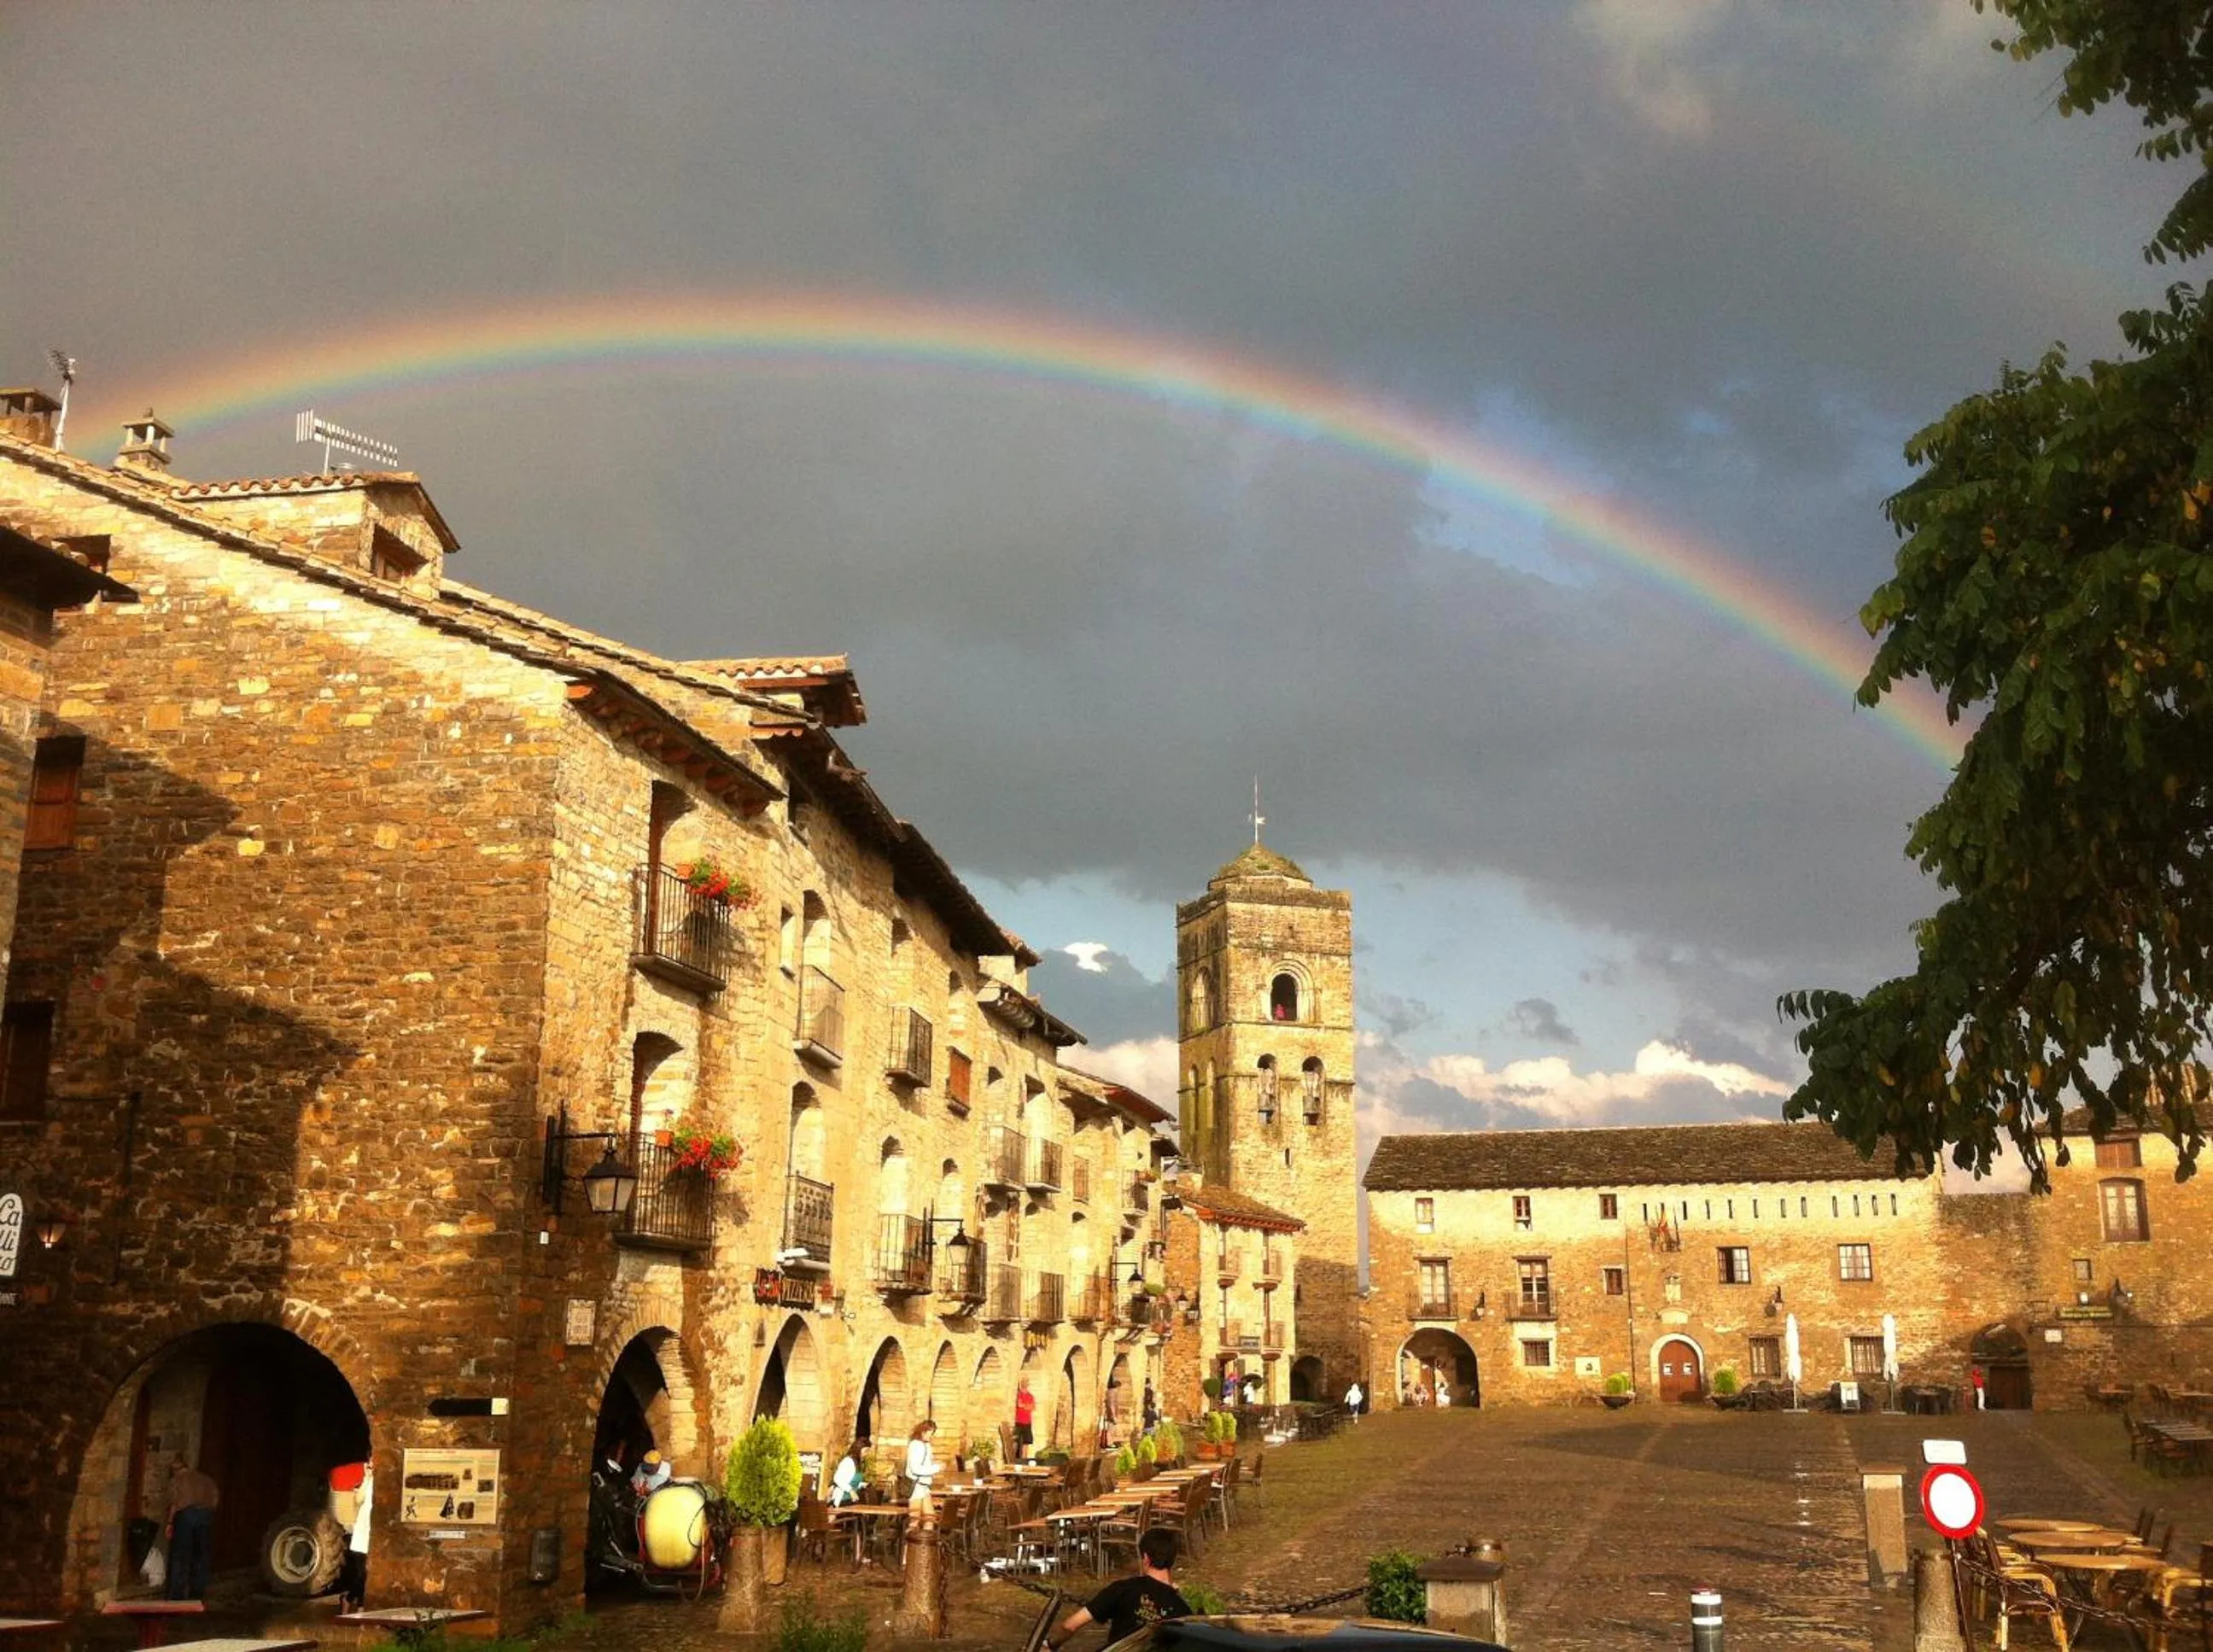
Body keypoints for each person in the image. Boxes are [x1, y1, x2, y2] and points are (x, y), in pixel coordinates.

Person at [1049, 1527, 1190, 1648]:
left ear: (1146, 1558)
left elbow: (1070, 1625)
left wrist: (1050, 1645)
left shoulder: (1123, 1589)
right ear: (1172, 1560)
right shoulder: (1184, 1613)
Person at [163, 1456, 219, 1602]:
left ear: (174, 1469)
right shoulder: (206, 1479)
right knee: (201, 1556)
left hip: (186, 1516)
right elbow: (215, 1499)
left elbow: (175, 1503)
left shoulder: (178, 1480)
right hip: (206, 1515)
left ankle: (176, 1594)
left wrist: (169, 1523)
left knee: (181, 1556)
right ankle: (197, 1593)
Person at [339, 1463, 374, 1610]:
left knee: (368, 1573)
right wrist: (367, 1478)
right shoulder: (367, 1482)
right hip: (362, 1533)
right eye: (371, 1462)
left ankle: (358, 1604)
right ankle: (349, 1599)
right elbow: (358, 1500)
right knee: (362, 1573)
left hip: (373, 1533)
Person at [904, 1420, 940, 1515]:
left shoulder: (927, 1445)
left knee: (930, 1517)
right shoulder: (916, 1445)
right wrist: (936, 1468)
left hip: (925, 1486)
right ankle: (911, 1531)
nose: (932, 1436)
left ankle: (926, 1531)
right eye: (931, 1433)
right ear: (923, 1432)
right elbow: (916, 1469)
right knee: (915, 1519)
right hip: (917, 1486)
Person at [829, 1440, 865, 1508]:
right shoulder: (848, 1461)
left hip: (852, 1499)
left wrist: (862, 1484)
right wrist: (851, 1490)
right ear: (858, 1449)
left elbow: (853, 1481)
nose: (866, 1454)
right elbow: (837, 1479)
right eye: (865, 1451)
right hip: (843, 1498)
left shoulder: (858, 1463)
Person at [1013, 1378, 1036, 1458]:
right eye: (1023, 1383)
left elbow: (1033, 1407)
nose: (1025, 1385)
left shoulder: (1031, 1396)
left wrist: (1024, 1406)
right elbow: (1019, 1405)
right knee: (1015, 1440)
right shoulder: (1019, 1395)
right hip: (1018, 1421)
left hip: (1027, 1421)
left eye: (1026, 1383)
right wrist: (1027, 1406)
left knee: (1026, 1442)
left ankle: (1024, 1459)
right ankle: (1013, 1457)